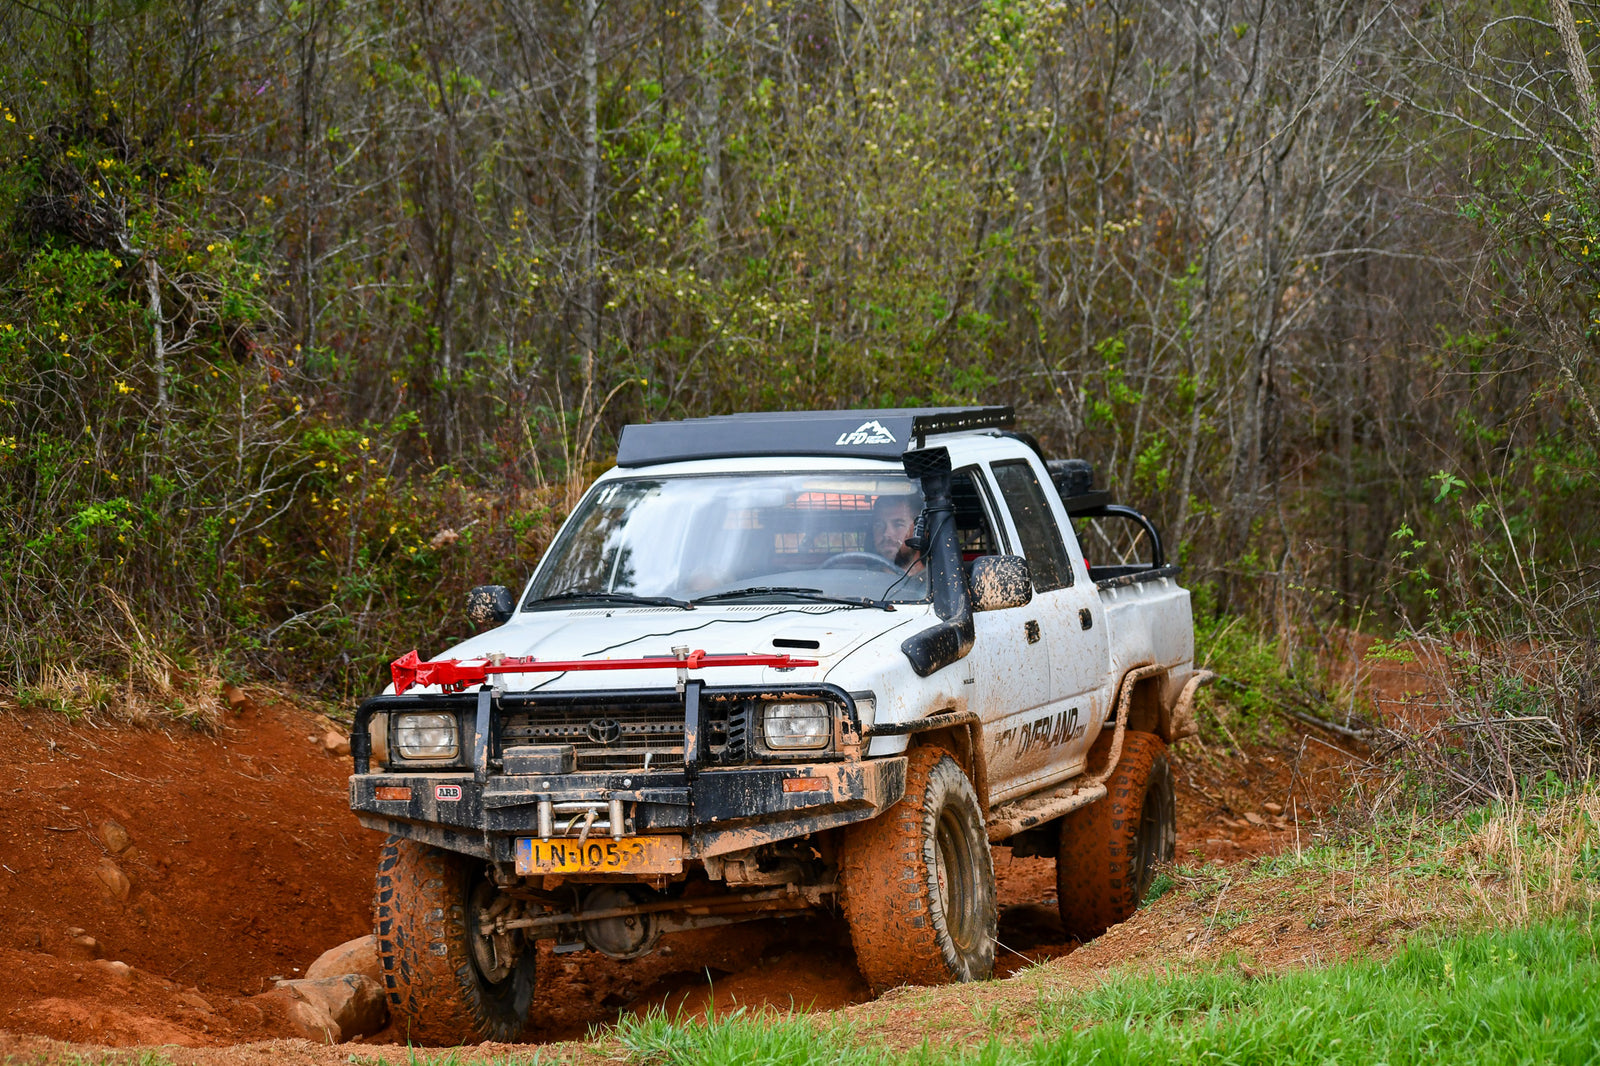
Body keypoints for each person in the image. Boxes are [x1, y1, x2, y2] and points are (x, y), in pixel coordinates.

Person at [871, 493, 925, 572]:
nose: (887, 534)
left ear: (918, 530)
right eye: (879, 525)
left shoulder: (935, 580)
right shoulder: (864, 578)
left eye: (898, 525)